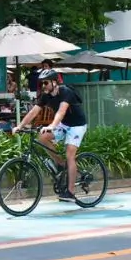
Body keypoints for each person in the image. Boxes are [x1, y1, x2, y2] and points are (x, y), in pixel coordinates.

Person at [15, 70, 88, 202]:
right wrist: (20, 126)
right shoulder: (46, 96)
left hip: (77, 126)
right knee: (43, 137)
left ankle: (71, 192)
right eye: (41, 83)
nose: (43, 86)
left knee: (70, 156)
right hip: (64, 124)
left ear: (54, 82)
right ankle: (61, 164)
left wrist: (52, 126)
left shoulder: (66, 92)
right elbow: (33, 112)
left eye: (46, 83)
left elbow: (61, 112)